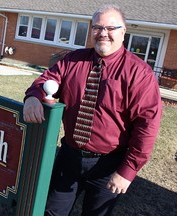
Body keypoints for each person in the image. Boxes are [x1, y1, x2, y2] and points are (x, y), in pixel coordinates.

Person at [23, 4, 163, 216]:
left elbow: (147, 125)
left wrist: (127, 171)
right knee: (52, 211)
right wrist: (34, 96)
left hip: (109, 164)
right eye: (97, 27)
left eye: (110, 28)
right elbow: (48, 80)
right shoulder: (72, 60)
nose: (103, 33)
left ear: (123, 32)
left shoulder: (139, 73)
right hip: (69, 157)